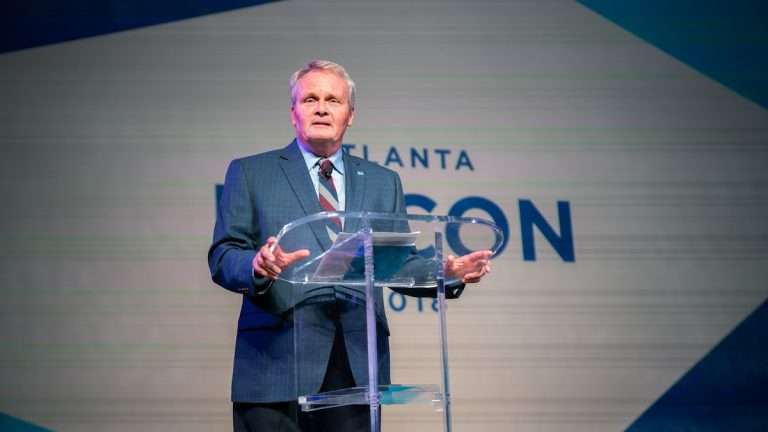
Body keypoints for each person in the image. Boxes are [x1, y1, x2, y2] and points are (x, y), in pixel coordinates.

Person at [208, 60, 491, 432]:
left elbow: (398, 264)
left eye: (333, 100)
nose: (321, 108)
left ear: (350, 115)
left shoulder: (383, 181)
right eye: (310, 99)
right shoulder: (251, 172)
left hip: (357, 367)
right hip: (275, 365)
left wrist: (446, 271)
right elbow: (224, 253)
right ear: (293, 112)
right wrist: (257, 265)